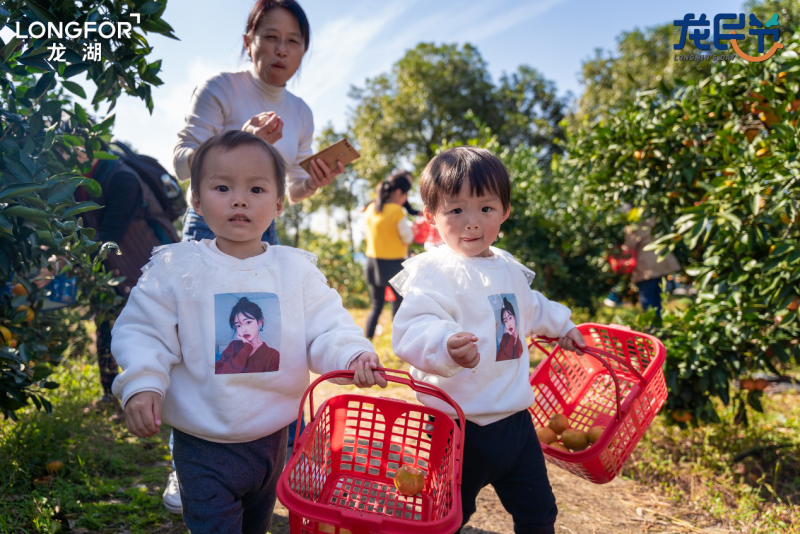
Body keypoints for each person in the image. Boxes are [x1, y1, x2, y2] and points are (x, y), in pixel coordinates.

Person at [111, 131, 387, 534]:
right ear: (197, 201)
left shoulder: (295, 272)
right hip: (202, 445)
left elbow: (327, 326)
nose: (239, 199)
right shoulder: (178, 268)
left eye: (256, 188)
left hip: (273, 441)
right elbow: (143, 330)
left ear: (278, 203)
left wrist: (351, 353)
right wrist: (142, 382)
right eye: (222, 187)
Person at [170, 0, 328, 508]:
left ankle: (269, 459)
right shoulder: (222, 87)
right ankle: (188, 465)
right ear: (249, 39)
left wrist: (313, 180)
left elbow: (292, 187)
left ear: (303, 49)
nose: (282, 50)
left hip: (266, 232)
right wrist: (239, 143)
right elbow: (181, 159)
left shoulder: (301, 111)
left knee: (266, 344)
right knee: (201, 342)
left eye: (294, 41)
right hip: (207, 227)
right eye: (272, 37)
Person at [390, 146, 586, 534]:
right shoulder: (434, 272)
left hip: (515, 421)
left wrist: (563, 325)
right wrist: (445, 344)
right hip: (455, 425)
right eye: (456, 210)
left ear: (505, 210)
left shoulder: (509, 268)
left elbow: (532, 306)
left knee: (538, 511)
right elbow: (414, 326)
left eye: (486, 208)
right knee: (447, 515)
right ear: (431, 217)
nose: (472, 222)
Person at [363, 172, 413, 339]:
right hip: (394, 264)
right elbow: (406, 237)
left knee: (376, 305)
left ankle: (368, 338)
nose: (406, 199)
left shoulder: (371, 209)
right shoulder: (397, 211)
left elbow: (366, 233)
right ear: (399, 192)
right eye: (406, 194)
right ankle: (398, 338)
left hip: (372, 262)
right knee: (400, 303)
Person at [624, 218, 681, 318]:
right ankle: (657, 326)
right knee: (656, 298)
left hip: (646, 266)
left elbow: (629, 246)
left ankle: (652, 327)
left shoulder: (634, 226)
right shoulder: (654, 220)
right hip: (660, 261)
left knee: (647, 298)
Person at [215, 297, 280, 374]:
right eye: (238, 326)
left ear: (259, 322)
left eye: (248, 322)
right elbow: (218, 374)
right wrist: (246, 348)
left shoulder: (272, 355)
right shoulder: (234, 346)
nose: (243, 330)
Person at [496, 297, 522, 362]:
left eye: (510, 318)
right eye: (505, 321)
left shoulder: (521, 337)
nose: (509, 324)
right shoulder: (505, 337)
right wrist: (511, 337)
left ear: (514, 317)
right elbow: (502, 359)